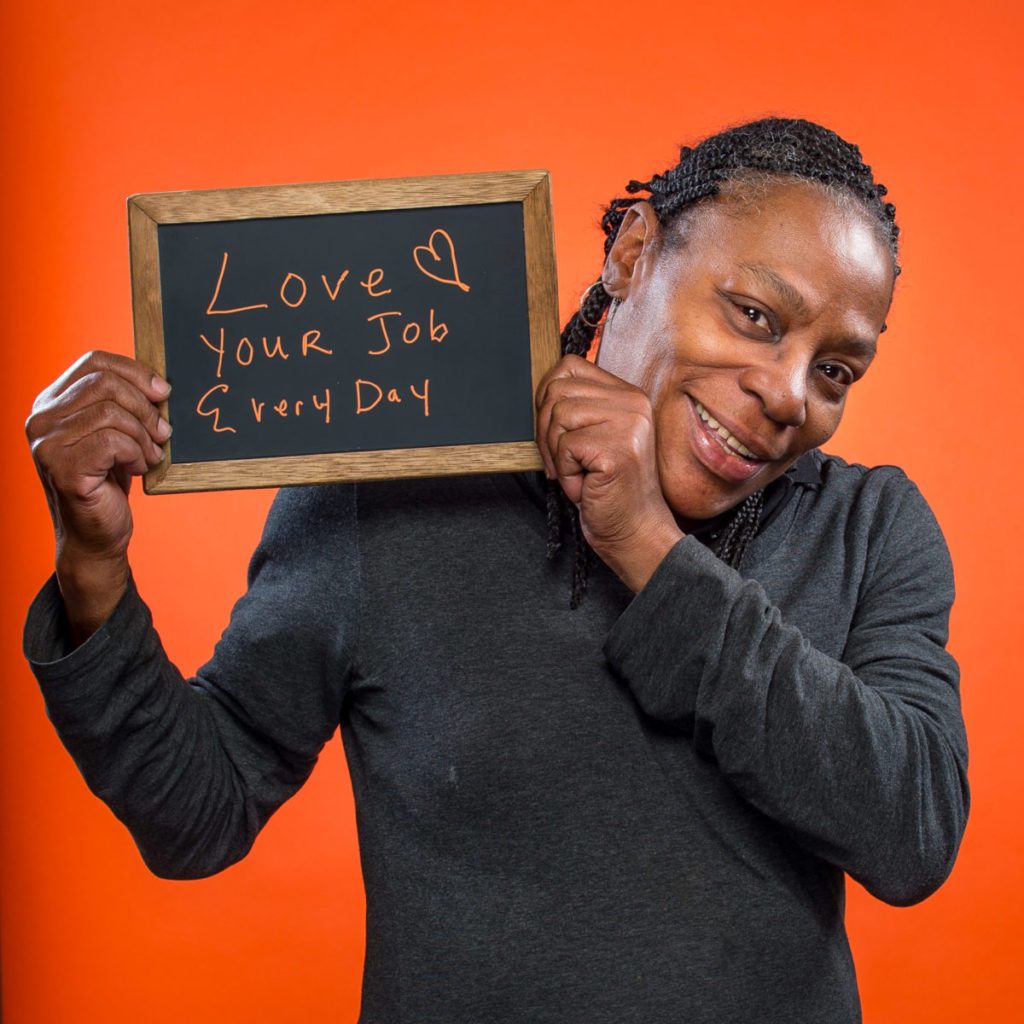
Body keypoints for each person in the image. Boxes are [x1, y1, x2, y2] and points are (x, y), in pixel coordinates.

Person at [23, 118, 969, 1023]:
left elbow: (912, 830)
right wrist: (94, 569)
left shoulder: (870, 529)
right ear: (633, 253)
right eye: (756, 314)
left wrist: (645, 544)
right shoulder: (393, 496)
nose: (785, 393)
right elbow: (198, 813)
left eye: (836, 371)